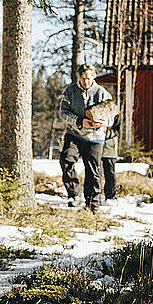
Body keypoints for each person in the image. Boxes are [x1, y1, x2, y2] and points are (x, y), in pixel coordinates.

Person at [59, 63, 114, 213]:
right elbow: (63, 113)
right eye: (83, 78)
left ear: (94, 77)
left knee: (93, 171)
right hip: (74, 133)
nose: (86, 81)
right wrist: (79, 121)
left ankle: (92, 204)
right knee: (66, 160)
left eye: (89, 78)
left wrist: (106, 122)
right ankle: (74, 194)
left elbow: (112, 116)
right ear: (78, 77)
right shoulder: (70, 91)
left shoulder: (102, 93)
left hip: (95, 137)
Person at [102, 113, 121, 203]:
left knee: (110, 174)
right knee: (94, 174)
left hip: (109, 150)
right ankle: (93, 196)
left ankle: (110, 196)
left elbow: (116, 131)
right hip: (96, 147)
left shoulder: (114, 113)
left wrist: (106, 131)